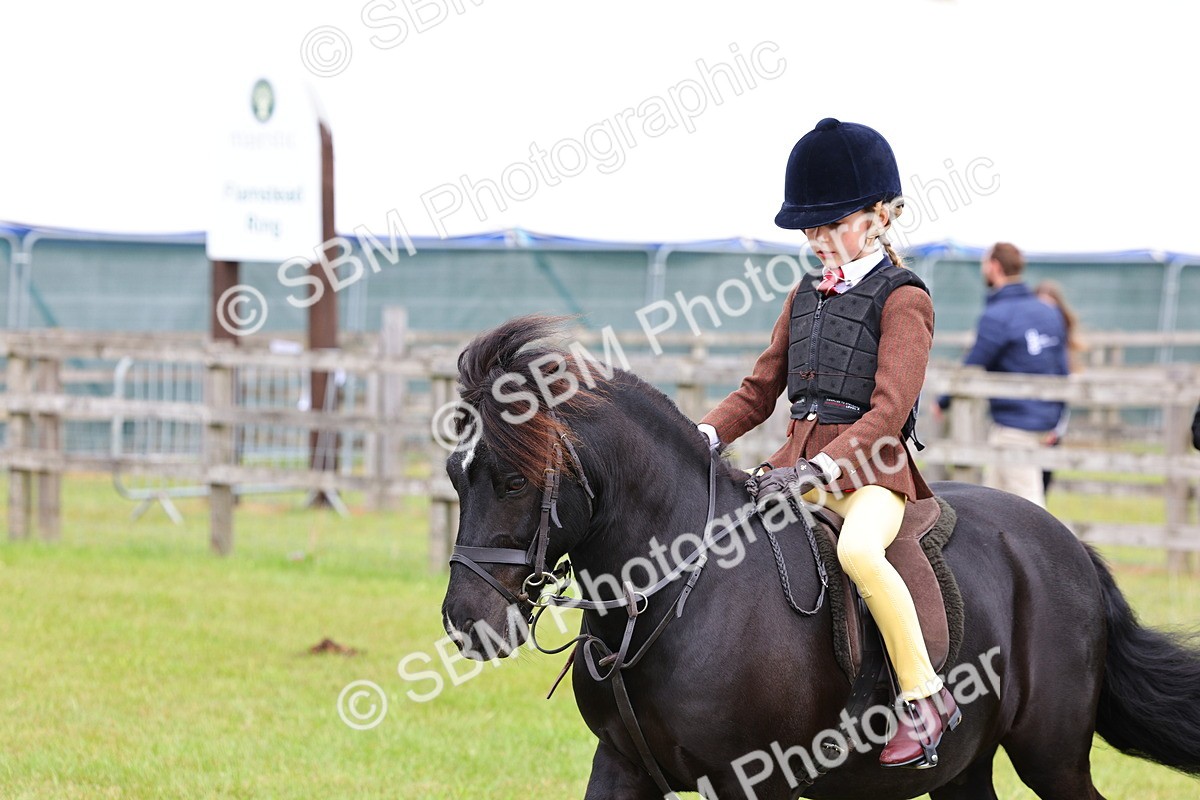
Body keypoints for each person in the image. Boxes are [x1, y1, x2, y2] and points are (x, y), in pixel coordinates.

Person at [696, 118, 958, 769]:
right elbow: (760, 390)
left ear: (878, 217)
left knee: (859, 552)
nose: (816, 240)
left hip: (872, 475)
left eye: (830, 225)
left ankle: (924, 696)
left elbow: (889, 412)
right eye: (809, 229)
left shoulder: (904, 300)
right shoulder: (804, 295)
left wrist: (818, 468)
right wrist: (703, 434)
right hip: (794, 467)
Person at [936, 244, 1068, 509]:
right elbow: (1061, 367)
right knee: (994, 502)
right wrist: (1058, 422)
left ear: (995, 266)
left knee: (1030, 509)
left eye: (985, 263)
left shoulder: (997, 316)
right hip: (1044, 422)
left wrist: (943, 401)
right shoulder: (1049, 311)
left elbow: (973, 365)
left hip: (1015, 425)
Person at [1033, 280, 1084, 493]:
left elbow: (1063, 396)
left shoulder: (1061, 351)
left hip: (1050, 428)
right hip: (1024, 426)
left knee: (1041, 486)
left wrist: (1055, 429)